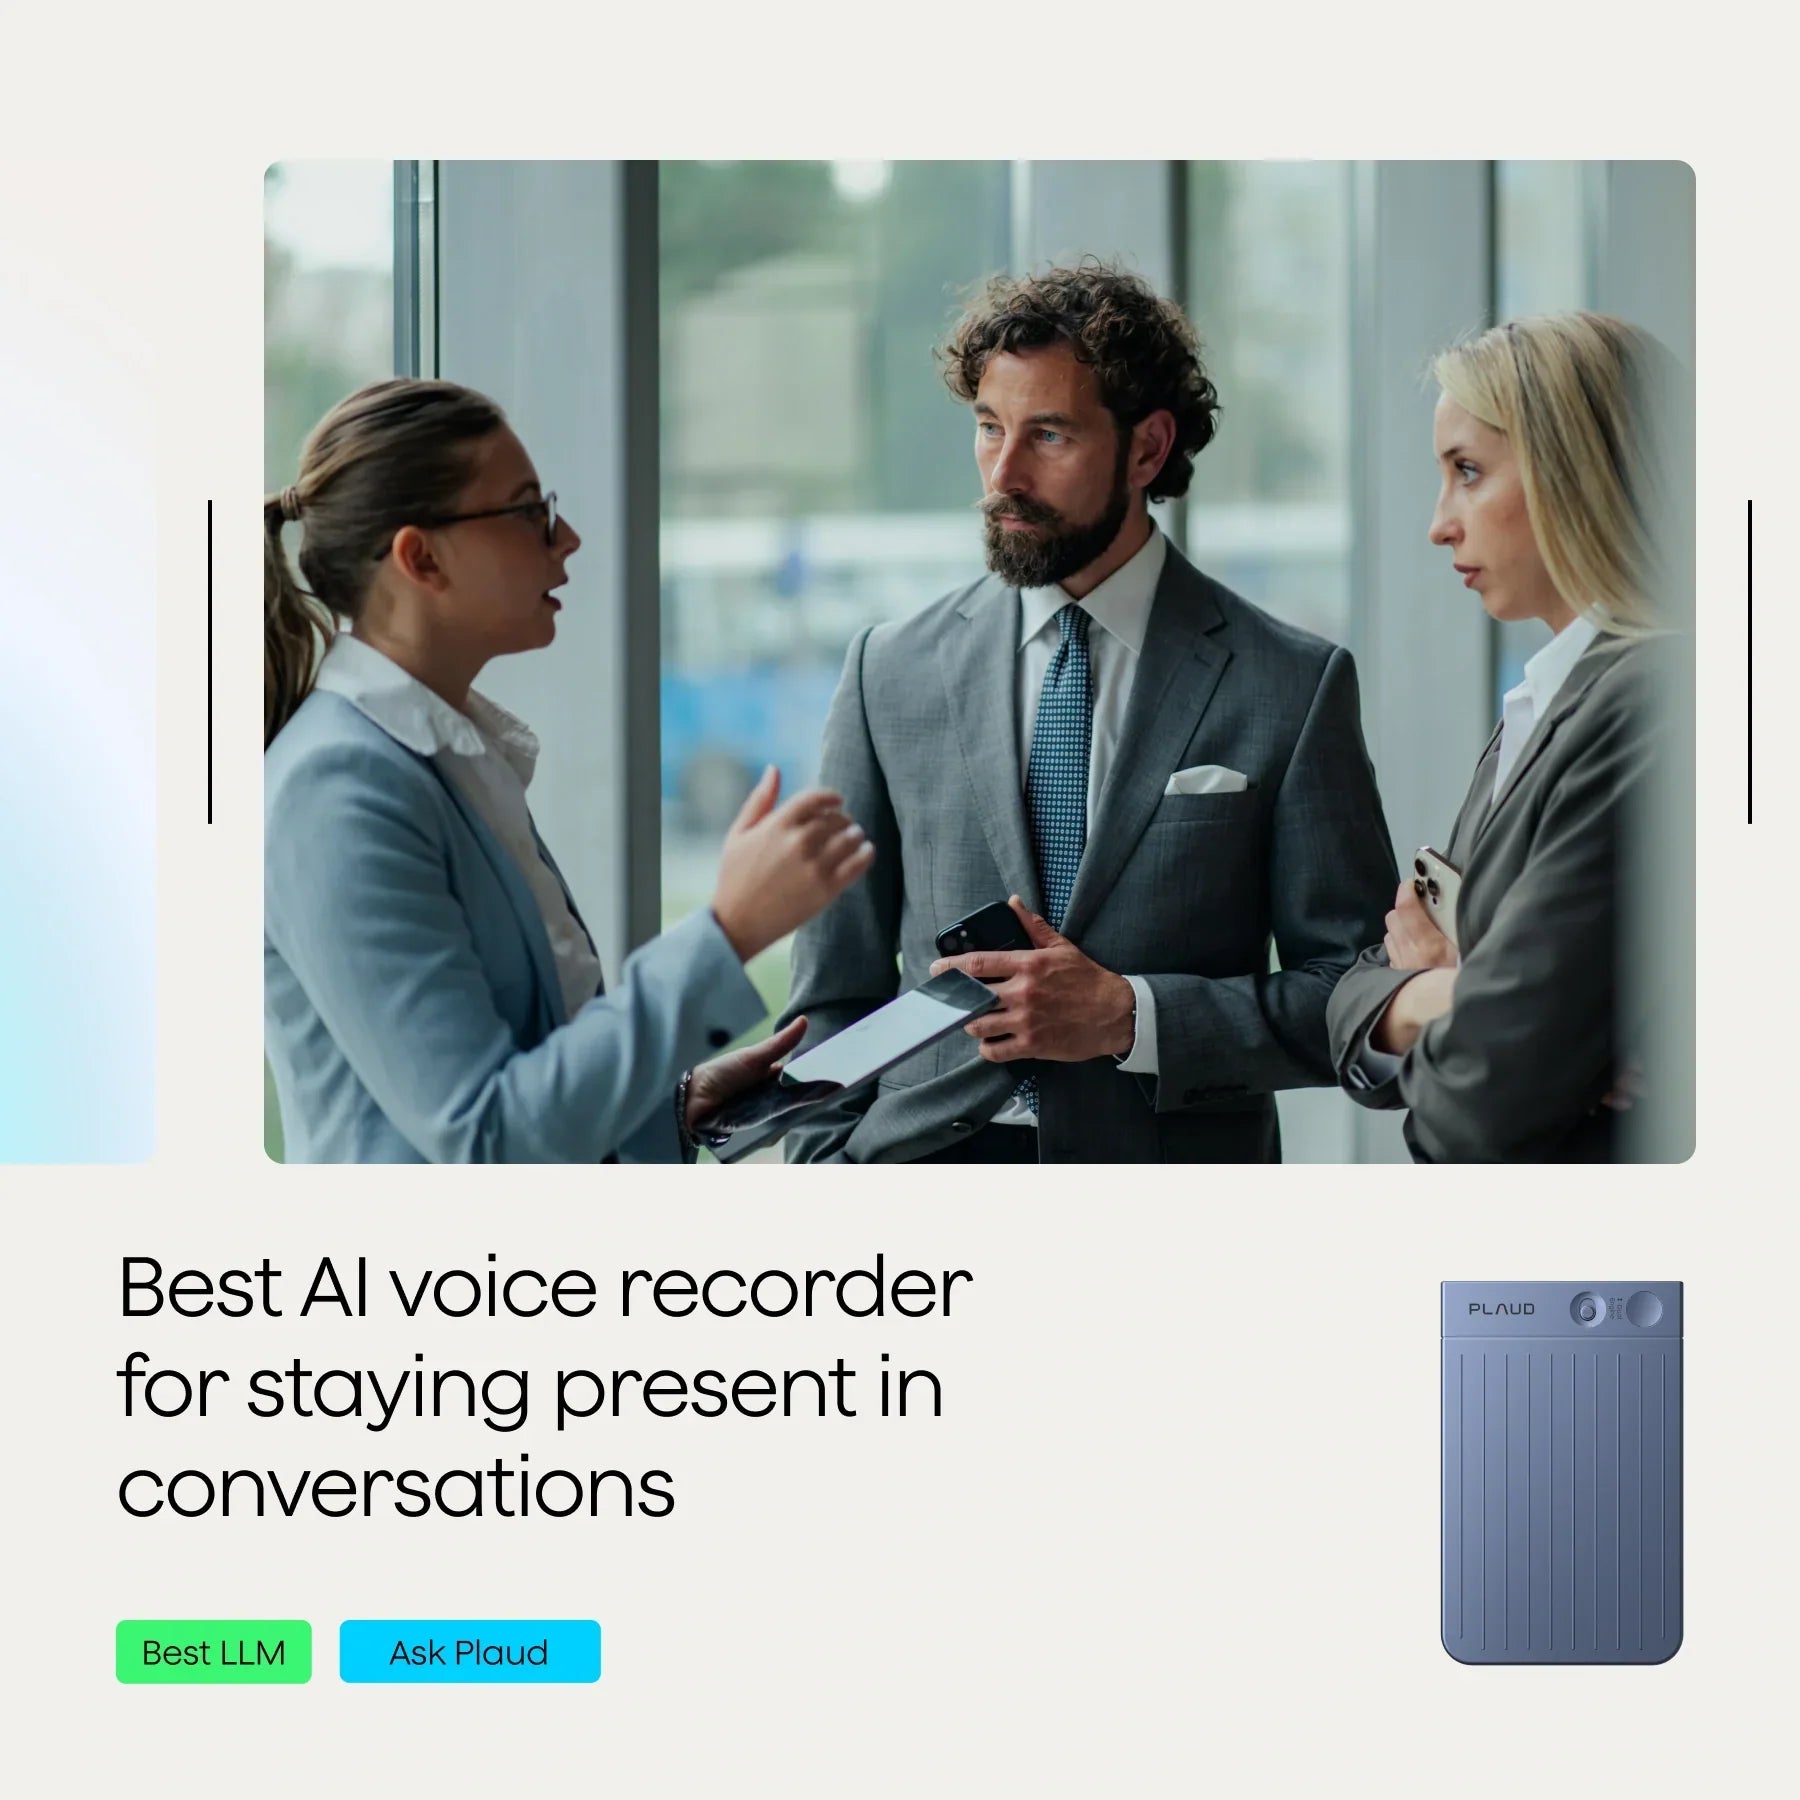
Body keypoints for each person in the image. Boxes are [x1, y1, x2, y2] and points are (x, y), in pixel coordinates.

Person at [779, 264, 1396, 1163]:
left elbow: (1354, 993)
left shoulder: (1291, 684)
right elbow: (831, 989)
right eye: (989, 429)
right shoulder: (890, 671)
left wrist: (1129, 1018)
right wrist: (827, 1171)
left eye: (1050, 436)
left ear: (1147, 450)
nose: (1004, 474)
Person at [264, 379, 873, 1163]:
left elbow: (521, 1081)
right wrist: (727, 930)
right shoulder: (337, 792)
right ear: (421, 558)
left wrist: (668, 1107)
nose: (569, 537)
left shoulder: (451, 754)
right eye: (528, 512)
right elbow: (487, 1140)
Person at [1326, 313, 1680, 1162]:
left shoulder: (1650, 705)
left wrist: (1433, 1000)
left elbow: (1476, 1109)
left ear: (1577, 471)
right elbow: (1342, 1010)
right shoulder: (1546, 704)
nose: (1439, 523)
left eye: (1469, 472)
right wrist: (1454, 995)